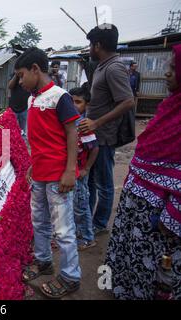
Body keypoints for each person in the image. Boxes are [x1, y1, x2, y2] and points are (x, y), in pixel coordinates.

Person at [105, 44, 181, 300]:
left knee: (155, 269)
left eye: (172, 68)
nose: (166, 74)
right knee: (132, 256)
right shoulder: (171, 108)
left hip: (160, 219)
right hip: (138, 209)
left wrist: (172, 217)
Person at [16, 47, 81, 299]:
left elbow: (72, 133)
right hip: (40, 173)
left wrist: (69, 171)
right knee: (39, 221)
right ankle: (44, 261)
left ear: (35, 69)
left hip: (58, 175)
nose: (20, 82)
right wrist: (33, 163)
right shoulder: (33, 99)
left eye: (22, 75)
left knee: (63, 229)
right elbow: (41, 138)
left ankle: (70, 276)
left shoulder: (59, 96)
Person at [79, 24, 135, 235]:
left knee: (103, 183)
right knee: (91, 181)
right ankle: (87, 220)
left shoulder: (114, 67)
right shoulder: (103, 65)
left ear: (98, 45)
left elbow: (128, 101)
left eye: (91, 45)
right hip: (94, 136)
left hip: (104, 136)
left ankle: (100, 223)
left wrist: (97, 122)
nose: (90, 49)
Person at [69, 85, 99, 250]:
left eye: (78, 102)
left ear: (86, 105)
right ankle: (79, 235)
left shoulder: (82, 125)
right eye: (71, 101)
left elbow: (94, 148)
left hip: (80, 172)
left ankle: (87, 238)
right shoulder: (71, 122)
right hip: (74, 171)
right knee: (76, 205)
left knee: (81, 206)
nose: (74, 105)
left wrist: (86, 168)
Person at [8, 72, 31, 136]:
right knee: (11, 128)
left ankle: (21, 143)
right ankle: (11, 143)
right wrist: (16, 75)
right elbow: (10, 86)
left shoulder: (28, 76)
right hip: (13, 107)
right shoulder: (13, 75)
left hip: (24, 107)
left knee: (22, 131)